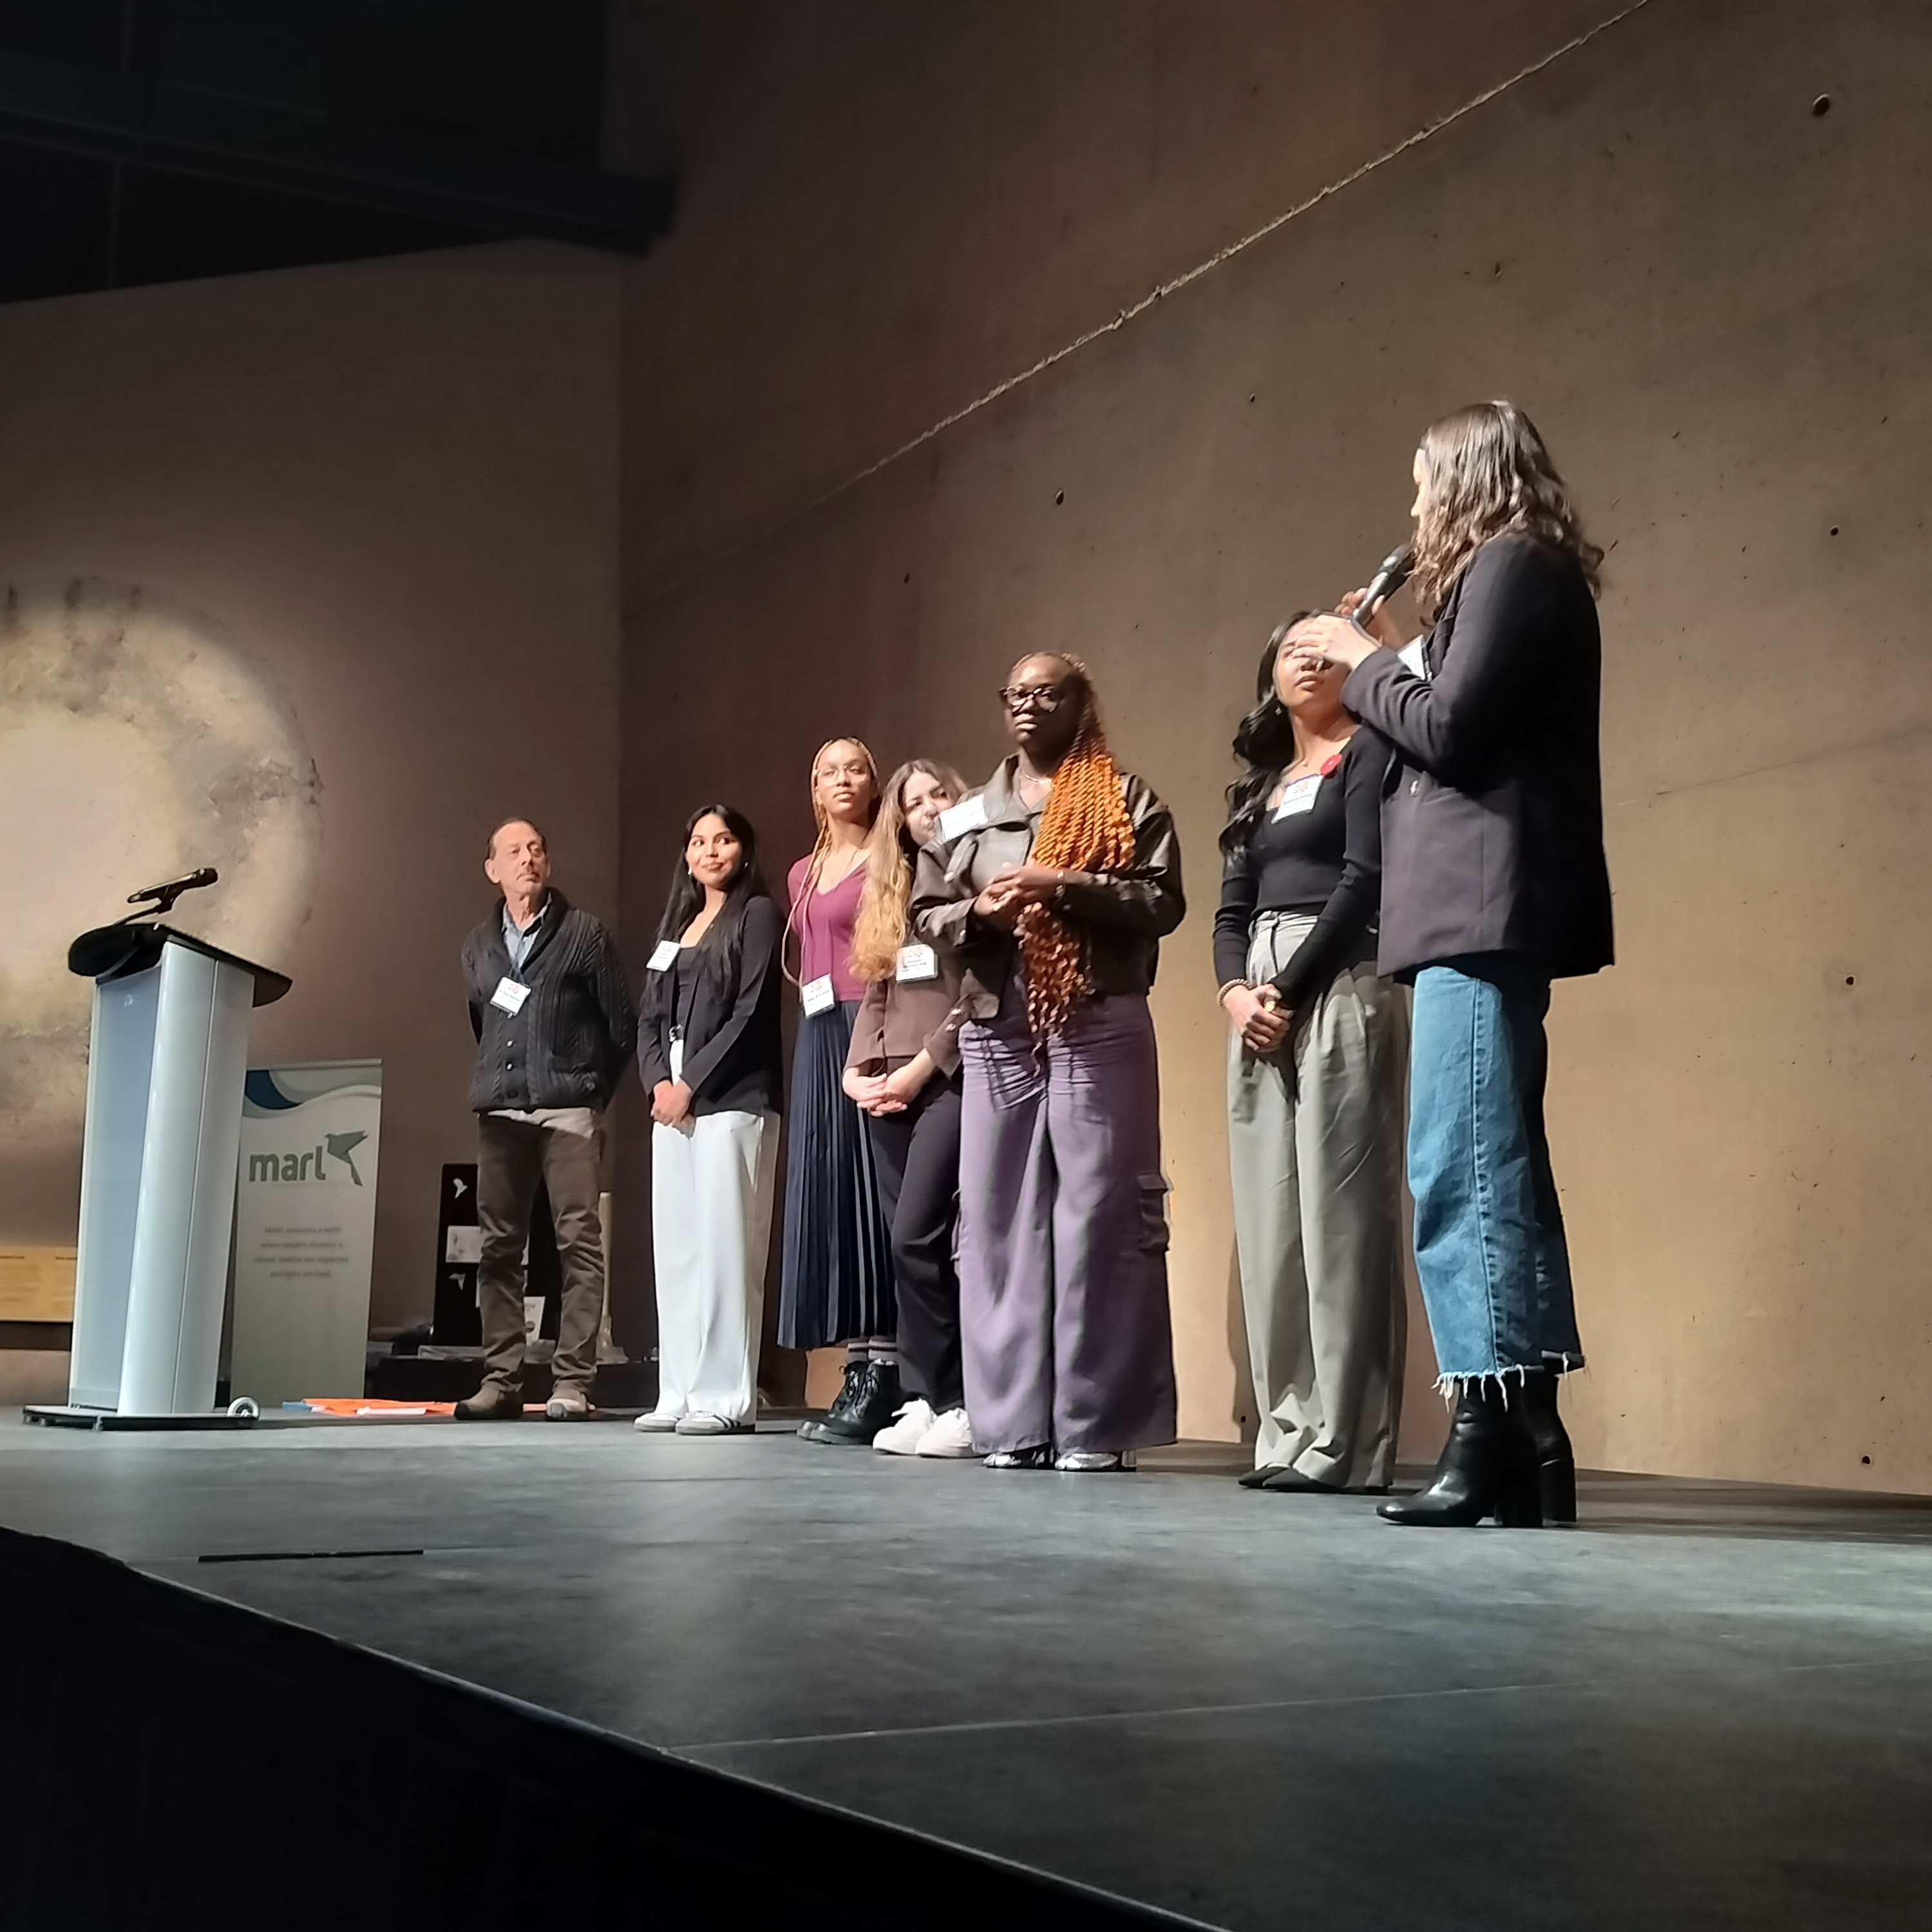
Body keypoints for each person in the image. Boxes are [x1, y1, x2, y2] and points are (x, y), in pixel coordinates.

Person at [1292, 399, 1610, 1528]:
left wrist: (1365, 662)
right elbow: (1435, 731)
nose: (1415, 506)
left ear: (1471, 477)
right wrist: (1383, 673)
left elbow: (1457, 733)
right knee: (1495, 1164)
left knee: (1461, 1168)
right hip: (1468, 913)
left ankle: (1486, 1440)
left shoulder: (1515, 566)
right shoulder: (1500, 582)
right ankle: (1529, 1439)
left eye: (1425, 482)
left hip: (1483, 909)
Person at [913, 654, 1182, 1472]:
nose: (1029, 706)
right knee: (999, 1220)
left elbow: (1160, 901)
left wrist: (1062, 882)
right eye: (1016, 695)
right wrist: (978, 910)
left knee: (1099, 1213)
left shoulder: (1126, 797)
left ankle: (1095, 1423)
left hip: (1097, 1016)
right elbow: (926, 913)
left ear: (1081, 702)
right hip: (999, 1025)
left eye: (1048, 693)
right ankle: (1014, 1424)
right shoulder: (965, 818)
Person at [1216, 619, 1409, 1495]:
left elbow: (1364, 877)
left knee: (1342, 1218)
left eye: (1322, 644)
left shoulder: (1366, 755)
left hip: (1338, 976)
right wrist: (1235, 993)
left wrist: (1287, 990)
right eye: (1289, 647)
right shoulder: (1260, 786)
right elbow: (1228, 912)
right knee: (1271, 1224)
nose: (1305, 656)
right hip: (1256, 993)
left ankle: (1348, 1439)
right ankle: (1285, 1429)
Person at [457, 818, 634, 1421]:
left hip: (569, 1111)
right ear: (493, 869)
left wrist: (590, 1089)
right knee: (499, 1249)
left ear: (548, 864)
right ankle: (501, 1379)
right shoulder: (478, 945)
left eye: (536, 850)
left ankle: (572, 1383)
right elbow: (484, 1024)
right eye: (514, 851)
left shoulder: (585, 935)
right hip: (500, 1113)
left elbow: (622, 1027)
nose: (527, 859)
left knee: (577, 1246)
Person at [634, 806, 784, 1435]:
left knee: (727, 1254)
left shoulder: (756, 915)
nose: (710, 851)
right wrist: (659, 1084)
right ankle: (679, 1392)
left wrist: (691, 1082)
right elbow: (646, 1016)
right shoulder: (678, 922)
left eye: (723, 840)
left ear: (744, 850)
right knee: (679, 1255)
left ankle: (724, 1397)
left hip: (732, 1099)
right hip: (672, 1101)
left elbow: (750, 1013)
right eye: (698, 841)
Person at [843, 760, 975, 1458]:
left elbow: (978, 990)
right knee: (906, 1248)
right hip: (888, 1089)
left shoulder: (973, 874)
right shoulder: (890, 891)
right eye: (912, 802)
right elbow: (875, 991)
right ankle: (926, 1398)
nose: (925, 809)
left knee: (921, 1237)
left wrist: (924, 1066)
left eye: (938, 795)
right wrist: (855, 1071)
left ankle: (963, 1399)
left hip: (947, 1080)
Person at [778, 738, 901, 1445]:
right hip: (820, 1033)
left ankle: (887, 1366)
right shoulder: (802, 871)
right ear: (815, 788)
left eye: (855, 767)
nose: (843, 779)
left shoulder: (891, 859)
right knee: (833, 1198)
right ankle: (857, 1365)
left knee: (872, 1195)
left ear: (872, 781)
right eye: (829, 771)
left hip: (869, 1022)